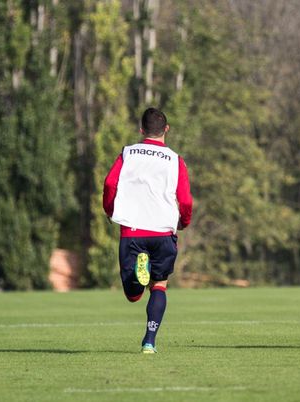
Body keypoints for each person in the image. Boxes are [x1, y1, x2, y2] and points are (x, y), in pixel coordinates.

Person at [103, 108, 193, 354]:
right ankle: (149, 342)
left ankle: (138, 274)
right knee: (159, 285)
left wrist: (110, 209)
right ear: (166, 129)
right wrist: (183, 221)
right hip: (163, 231)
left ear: (141, 129)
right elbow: (185, 200)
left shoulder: (128, 153)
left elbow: (110, 183)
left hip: (133, 230)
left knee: (133, 295)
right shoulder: (175, 160)